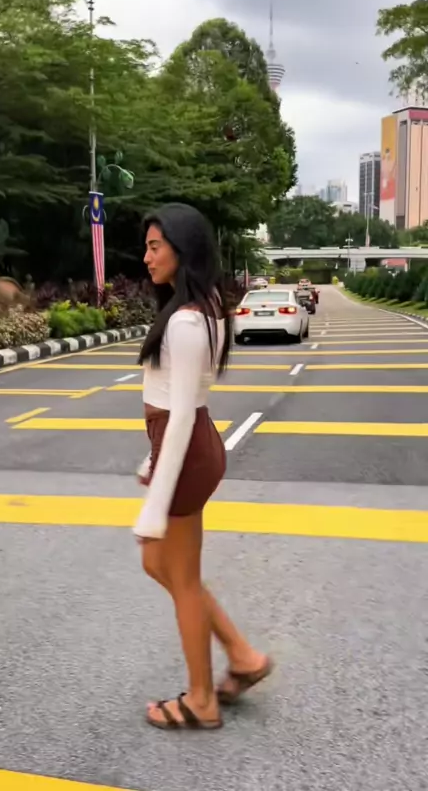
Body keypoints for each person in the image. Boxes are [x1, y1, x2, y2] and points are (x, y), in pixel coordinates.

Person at [134, 203, 273, 731]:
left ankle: (201, 699)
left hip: (187, 448)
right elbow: (178, 402)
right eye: (147, 247)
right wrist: (152, 459)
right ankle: (241, 656)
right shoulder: (199, 306)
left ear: (183, 248)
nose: (146, 257)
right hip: (184, 445)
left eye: (155, 247)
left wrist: (155, 502)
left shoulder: (187, 321)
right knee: (160, 565)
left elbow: (181, 417)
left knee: (181, 578)